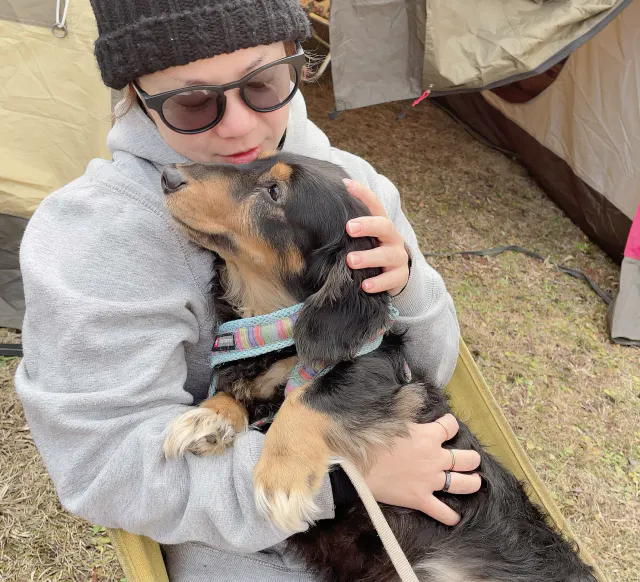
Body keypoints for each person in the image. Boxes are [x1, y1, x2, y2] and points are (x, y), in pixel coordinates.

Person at [14, 1, 481, 580]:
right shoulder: (96, 239)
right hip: (248, 555)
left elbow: (431, 369)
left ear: (295, 61)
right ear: (136, 94)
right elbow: (103, 467)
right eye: (192, 101)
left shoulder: (355, 187)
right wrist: (339, 480)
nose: (238, 126)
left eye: (263, 83)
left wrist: (407, 289)